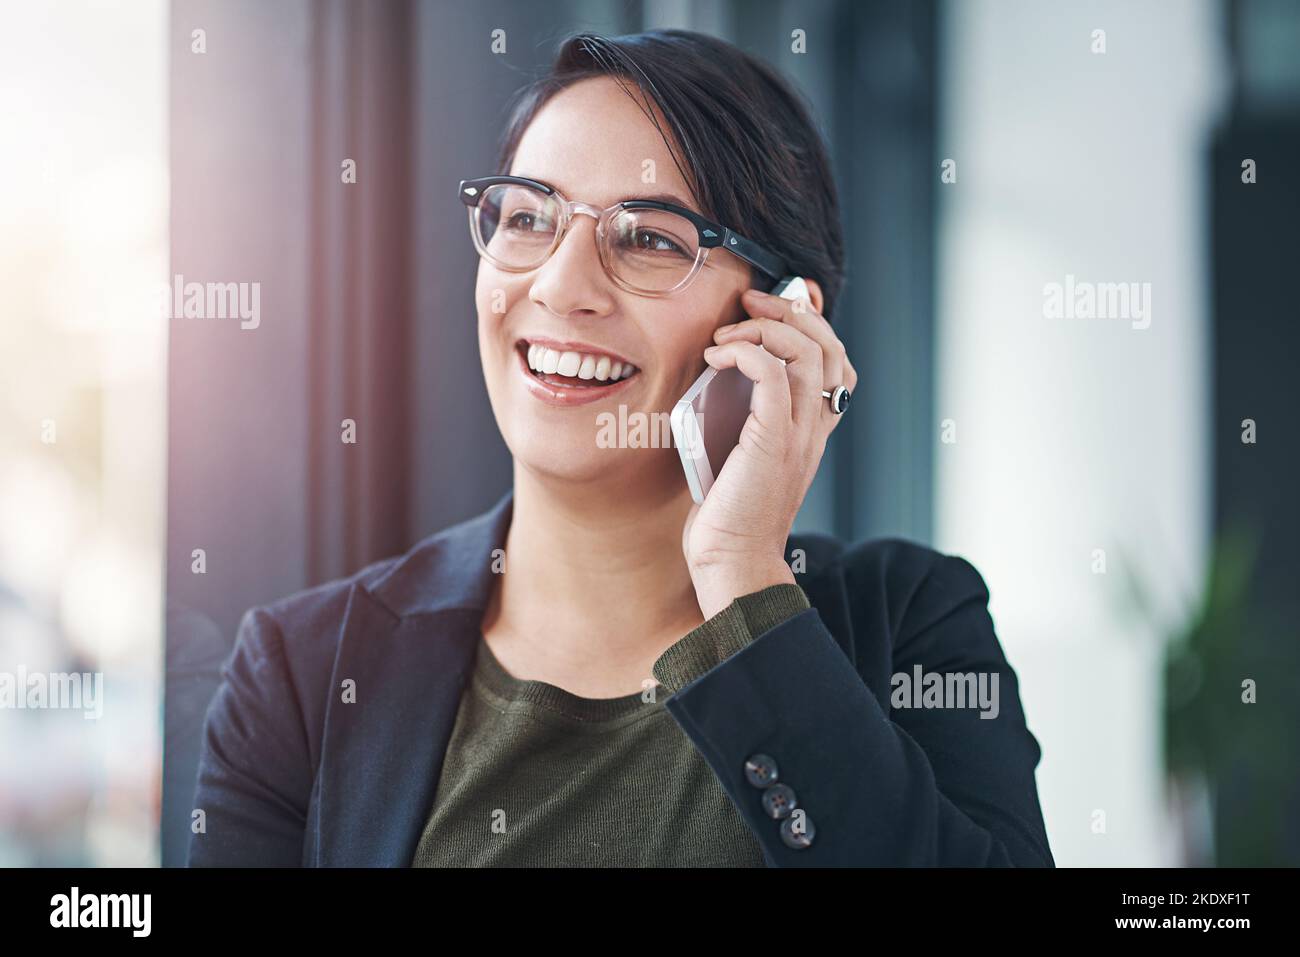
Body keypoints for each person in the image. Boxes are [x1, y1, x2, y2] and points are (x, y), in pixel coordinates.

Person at [188, 29, 1054, 867]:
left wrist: (744, 578)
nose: (561, 285)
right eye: (529, 217)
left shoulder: (913, 625)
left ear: (784, 319)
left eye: (648, 237)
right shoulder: (301, 675)